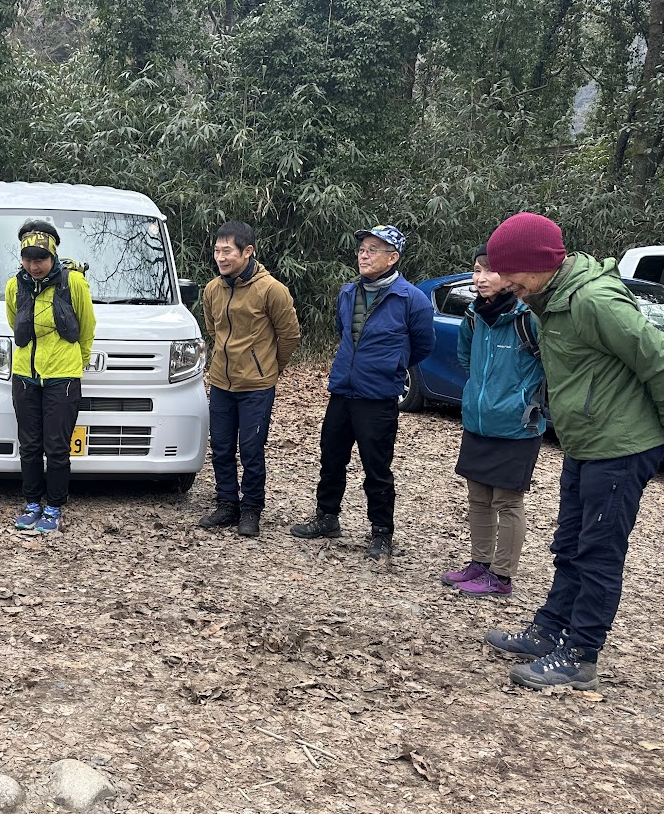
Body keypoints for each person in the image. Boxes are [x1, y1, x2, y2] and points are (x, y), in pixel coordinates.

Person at [482, 213, 664, 691]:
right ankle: (549, 630)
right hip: (585, 441)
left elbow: (657, 358)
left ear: (537, 263)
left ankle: (581, 654)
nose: (505, 281)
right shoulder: (549, 299)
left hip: (621, 445)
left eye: (510, 272)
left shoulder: (594, 300)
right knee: (569, 544)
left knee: (598, 552)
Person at [290, 224, 434, 558]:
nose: (363, 255)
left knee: (376, 467)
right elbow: (343, 331)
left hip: (378, 397)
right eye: (362, 249)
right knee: (331, 458)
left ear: (393, 258)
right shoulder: (347, 293)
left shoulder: (412, 300)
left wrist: (391, 365)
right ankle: (327, 517)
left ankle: (381, 532)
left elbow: (423, 345)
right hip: (343, 390)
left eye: (372, 250)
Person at [440, 245, 546, 596]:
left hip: (518, 424)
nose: (481, 278)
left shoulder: (528, 317)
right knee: (478, 497)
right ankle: (480, 563)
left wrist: (518, 397)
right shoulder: (474, 315)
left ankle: (501, 576)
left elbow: (553, 365)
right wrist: (479, 394)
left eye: (490, 271)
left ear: (510, 275)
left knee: (508, 501)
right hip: (479, 421)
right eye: (476, 270)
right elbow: (466, 358)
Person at [197, 221, 301, 537]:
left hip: (256, 385)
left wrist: (270, 368)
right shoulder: (213, 289)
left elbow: (289, 335)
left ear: (247, 251)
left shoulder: (271, 290)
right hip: (221, 381)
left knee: (251, 449)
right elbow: (214, 329)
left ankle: (252, 508)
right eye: (217, 251)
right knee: (221, 446)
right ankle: (227, 503)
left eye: (227, 251)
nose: (221, 257)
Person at [6, 220, 96, 534]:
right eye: (28, 259)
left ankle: (54, 507)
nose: (34, 266)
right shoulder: (14, 285)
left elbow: (87, 328)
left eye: (41, 259)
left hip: (63, 378)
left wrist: (75, 365)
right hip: (24, 375)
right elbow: (13, 321)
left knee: (57, 447)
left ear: (53, 255)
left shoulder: (73, 283)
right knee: (29, 445)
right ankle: (32, 503)